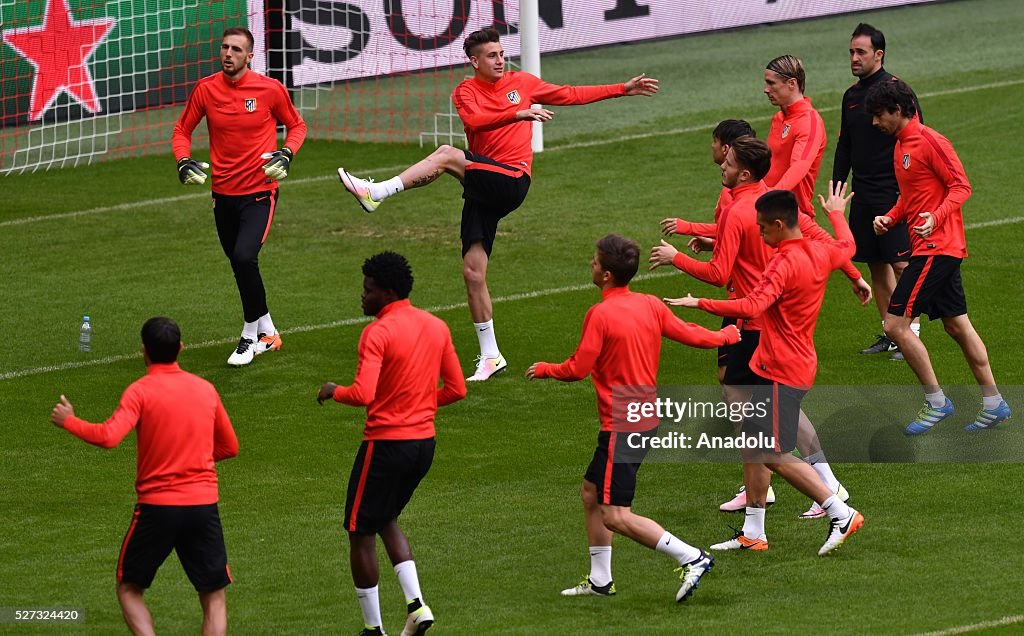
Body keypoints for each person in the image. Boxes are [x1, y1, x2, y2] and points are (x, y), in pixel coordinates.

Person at [338, 27, 659, 382]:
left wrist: (621, 90)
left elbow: (570, 94)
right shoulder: (465, 92)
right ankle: (491, 356)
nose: (500, 60)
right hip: (483, 182)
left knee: (446, 156)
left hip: (512, 179)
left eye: (502, 53)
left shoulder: (523, 82)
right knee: (473, 273)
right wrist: (516, 115)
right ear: (474, 61)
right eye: (491, 56)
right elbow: (475, 121)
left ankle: (377, 192)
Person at [650, 137, 864, 519]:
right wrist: (850, 265)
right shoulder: (773, 200)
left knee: (761, 431)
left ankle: (826, 496)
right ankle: (763, 513)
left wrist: (678, 263)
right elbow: (833, 244)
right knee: (751, 408)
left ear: (743, 170)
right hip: (766, 324)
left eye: (727, 159)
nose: (721, 165)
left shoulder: (741, 214)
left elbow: (721, 276)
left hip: (754, 321)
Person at [526, 234, 740, 602]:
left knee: (616, 515)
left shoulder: (600, 314)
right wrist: (725, 336)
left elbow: (578, 368)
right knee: (591, 493)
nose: (590, 265)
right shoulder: (650, 304)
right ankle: (600, 581)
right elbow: (687, 333)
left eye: (594, 262)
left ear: (607, 274)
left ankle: (692, 557)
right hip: (644, 417)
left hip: (621, 425)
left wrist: (547, 369)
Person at [50, 317, 239, 636]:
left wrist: (70, 421)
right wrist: (194, 459)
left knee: (129, 587)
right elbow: (229, 447)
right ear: (181, 348)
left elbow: (109, 436)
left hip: (158, 509)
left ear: (143, 351)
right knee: (214, 597)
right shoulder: (205, 390)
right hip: (203, 507)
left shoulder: (140, 391)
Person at [317, 252, 467, 636]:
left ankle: (373, 629)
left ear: (386, 291)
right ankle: (416, 607)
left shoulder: (377, 332)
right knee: (384, 518)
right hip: (423, 447)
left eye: (368, 290)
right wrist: (417, 403)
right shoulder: (436, 326)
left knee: (359, 531)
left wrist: (334, 392)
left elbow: (364, 393)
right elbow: (457, 389)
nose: (362, 296)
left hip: (385, 447)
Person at [866, 78, 1011, 434]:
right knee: (957, 325)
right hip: (930, 247)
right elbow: (911, 196)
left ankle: (936, 402)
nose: (874, 122)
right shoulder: (900, 146)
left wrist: (937, 217)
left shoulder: (931, 141)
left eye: (878, 115)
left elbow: (961, 186)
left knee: (895, 324)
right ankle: (994, 404)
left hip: (937, 247)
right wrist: (892, 217)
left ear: (897, 111)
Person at [172, 27, 307, 367]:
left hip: (260, 194)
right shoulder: (206, 89)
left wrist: (287, 154)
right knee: (239, 264)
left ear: (250, 56)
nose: (228, 54)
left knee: (245, 257)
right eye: (224, 47)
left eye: (236, 49)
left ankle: (249, 337)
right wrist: (183, 160)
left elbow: (297, 125)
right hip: (223, 196)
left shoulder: (269, 89)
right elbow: (182, 130)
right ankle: (270, 332)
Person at [833, 23, 924, 360]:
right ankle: (891, 331)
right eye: (851, 52)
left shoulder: (898, 92)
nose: (854, 58)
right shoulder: (851, 96)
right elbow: (845, 146)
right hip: (863, 193)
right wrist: (838, 190)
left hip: (894, 191)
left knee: (901, 264)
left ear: (879, 54)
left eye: (861, 52)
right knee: (875, 263)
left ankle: (910, 331)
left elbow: (918, 139)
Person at [762, 54, 826, 219]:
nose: (766, 89)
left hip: (793, 218)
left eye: (771, 83)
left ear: (791, 83)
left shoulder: (809, 122)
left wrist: (769, 197)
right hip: (769, 214)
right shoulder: (778, 118)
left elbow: (799, 168)